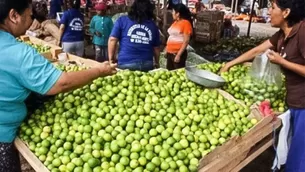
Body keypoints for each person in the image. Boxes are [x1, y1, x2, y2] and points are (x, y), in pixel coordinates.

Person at [0, 0, 117, 171]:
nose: (31, 20)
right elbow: (61, 83)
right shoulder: (18, 52)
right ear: (14, 15)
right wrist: (99, 71)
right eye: (29, 15)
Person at [220, 0, 305, 171]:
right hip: (294, 101)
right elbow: (257, 50)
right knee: (293, 150)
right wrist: (231, 64)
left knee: (299, 158)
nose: (268, 11)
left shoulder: (302, 32)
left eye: (273, 8)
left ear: (286, 12)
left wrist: (282, 62)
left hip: (304, 104)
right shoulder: (282, 35)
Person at [108, 0, 161, 72]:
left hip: (126, 63)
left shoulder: (122, 20)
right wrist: (157, 63)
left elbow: (112, 40)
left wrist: (111, 59)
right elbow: (156, 48)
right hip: (147, 64)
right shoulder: (152, 25)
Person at [165, 4, 193, 70]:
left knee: (177, 73)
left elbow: (186, 41)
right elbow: (171, 36)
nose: (172, 13)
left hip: (177, 53)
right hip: (170, 53)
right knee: (170, 72)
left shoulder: (186, 23)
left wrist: (178, 55)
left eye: (173, 11)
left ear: (178, 14)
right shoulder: (175, 22)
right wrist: (167, 49)